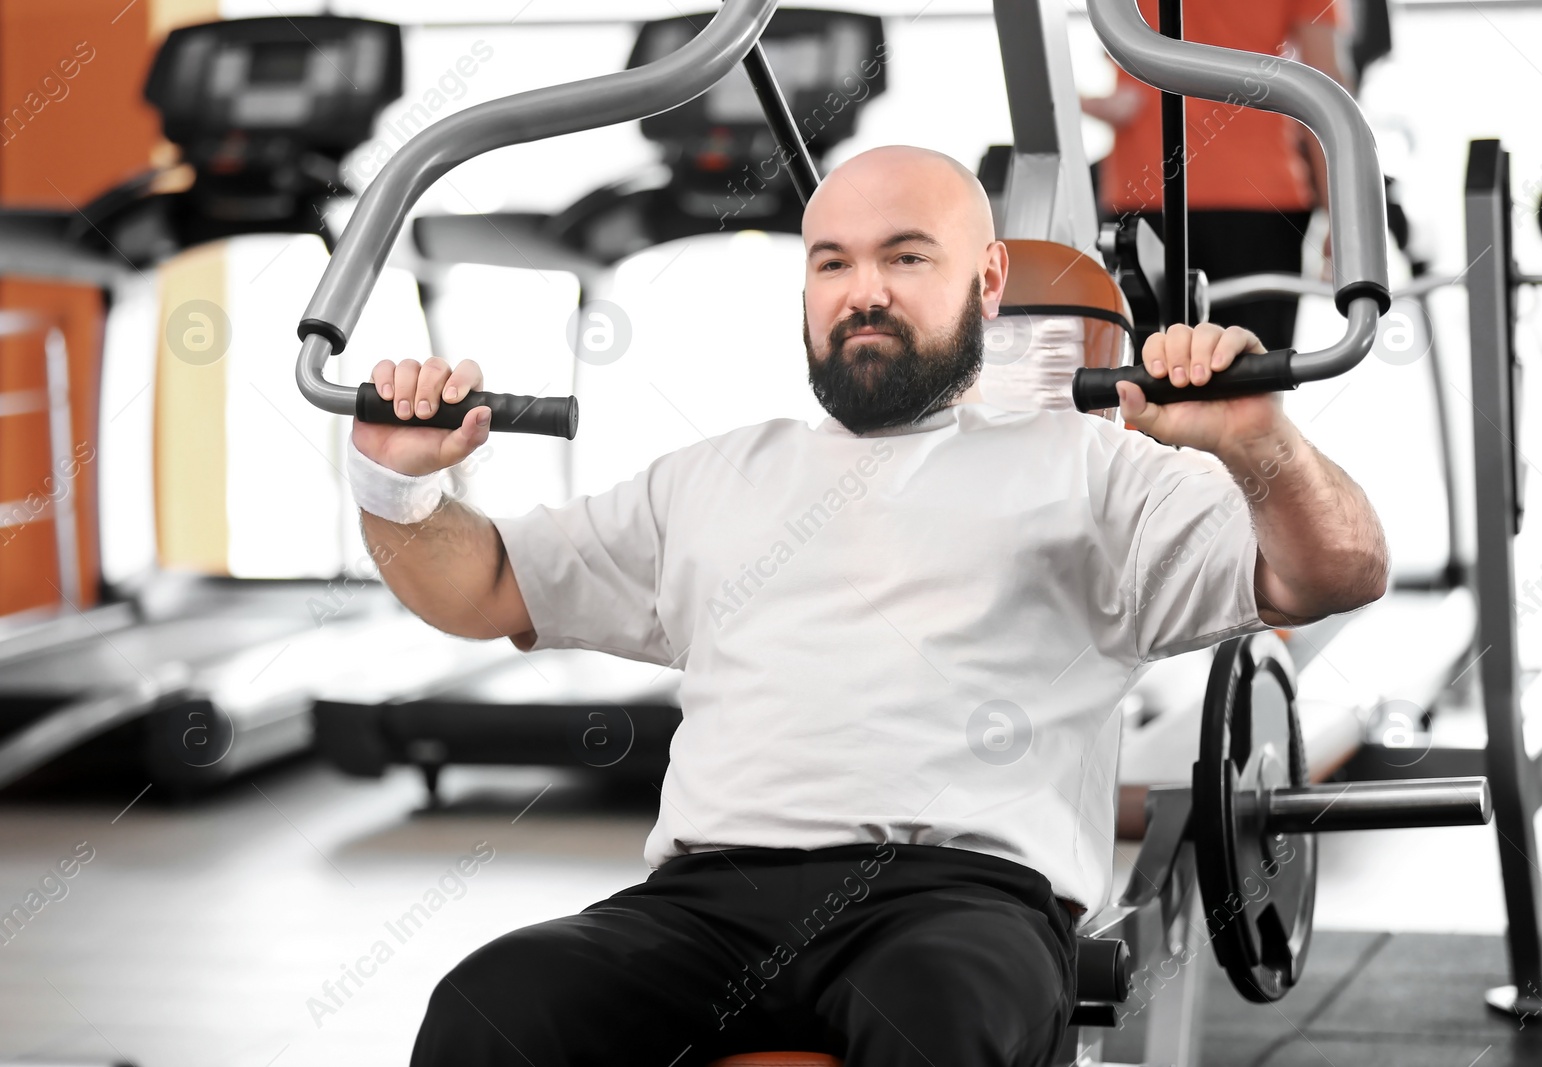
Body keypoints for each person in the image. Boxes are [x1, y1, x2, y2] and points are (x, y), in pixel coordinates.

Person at [343, 145, 1389, 1066]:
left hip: (954, 896)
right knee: (491, 1001)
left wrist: (1259, 442)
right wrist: (397, 484)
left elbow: (1334, 571)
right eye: (831, 262)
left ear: (987, 284)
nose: (863, 290)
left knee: (938, 1019)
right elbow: (481, 584)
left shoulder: (1093, 468)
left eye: (905, 256)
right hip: (705, 900)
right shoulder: (711, 477)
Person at [1082, 0, 1354, 350]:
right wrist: (1343, 217)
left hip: (1155, 192)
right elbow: (1326, 80)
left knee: (1153, 377)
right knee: (1249, 375)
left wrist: (1085, 102)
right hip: (1251, 199)